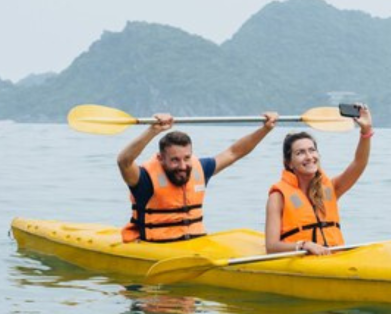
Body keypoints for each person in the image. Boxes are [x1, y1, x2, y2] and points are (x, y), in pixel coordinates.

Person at [119, 112, 279, 243]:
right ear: (161, 158)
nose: (182, 166)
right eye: (175, 160)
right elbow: (124, 161)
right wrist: (152, 130)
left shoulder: (200, 169)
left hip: (196, 245)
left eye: (187, 158)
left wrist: (265, 129)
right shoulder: (144, 179)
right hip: (154, 248)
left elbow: (234, 152)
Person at [265, 104, 373, 255]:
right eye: (300, 153)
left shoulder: (332, 188)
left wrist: (366, 130)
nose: (309, 157)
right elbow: (271, 246)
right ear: (289, 162)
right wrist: (304, 245)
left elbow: (359, 163)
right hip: (300, 261)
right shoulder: (278, 196)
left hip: (334, 258)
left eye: (312, 150)